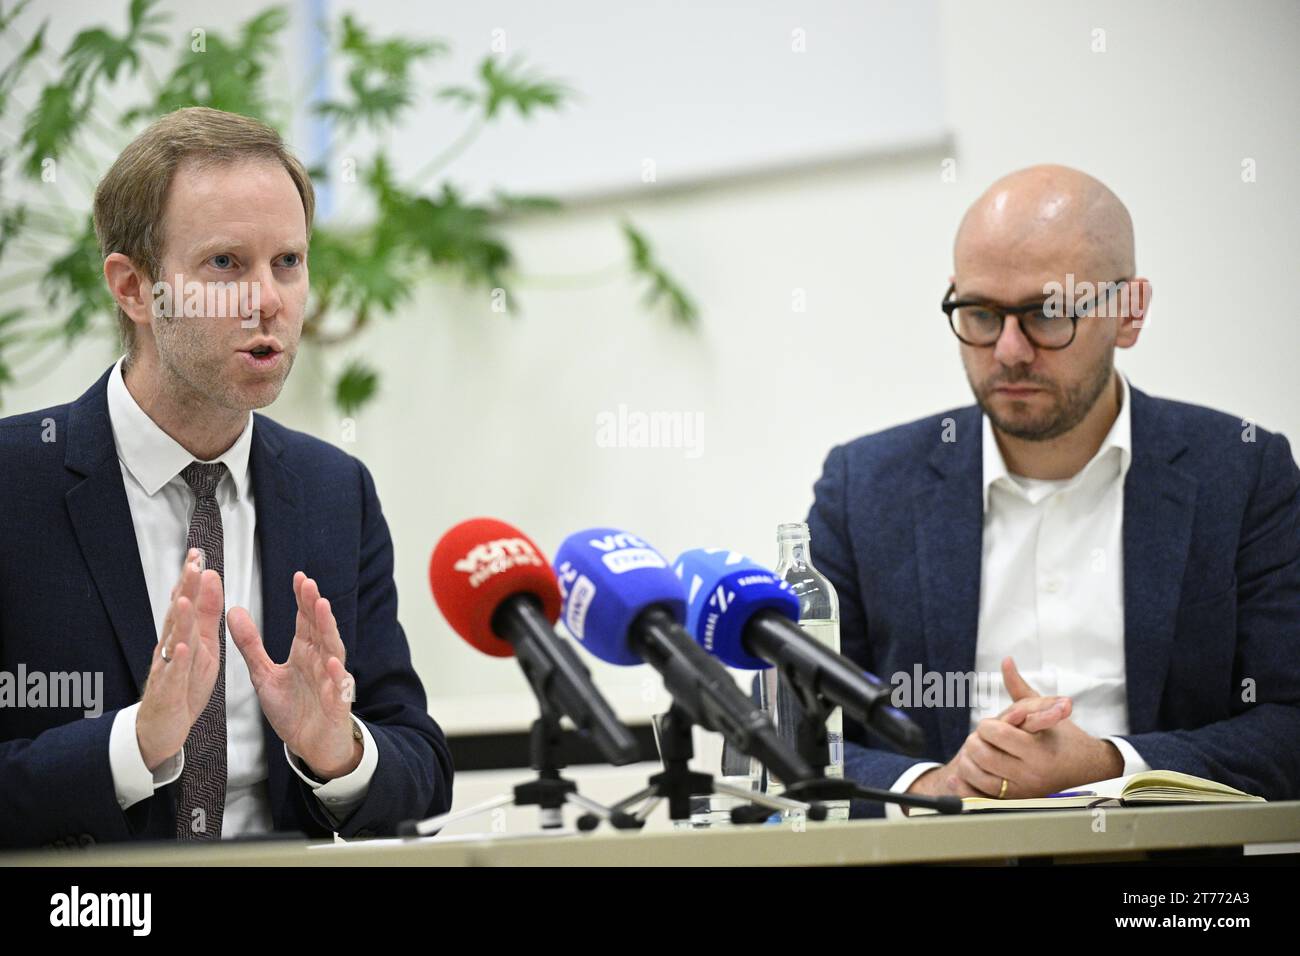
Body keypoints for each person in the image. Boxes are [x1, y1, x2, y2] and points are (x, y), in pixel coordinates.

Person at [0, 107, 453, 847]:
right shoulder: (15, 484)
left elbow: (421, 767)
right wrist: (132, 747)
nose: (268, 301)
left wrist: (335, 753)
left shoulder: (334, 492)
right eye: (225, 265)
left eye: (288, 262)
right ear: (135, 289)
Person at [806, 164, 1300, 818]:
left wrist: (1110, 764)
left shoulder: (1242, 473)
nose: (1009, 351)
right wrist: (934, 787)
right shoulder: (864, 488)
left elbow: (1289, 722)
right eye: (980, 313)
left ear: (1129, 312)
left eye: (1048, 313)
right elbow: (797, 731)